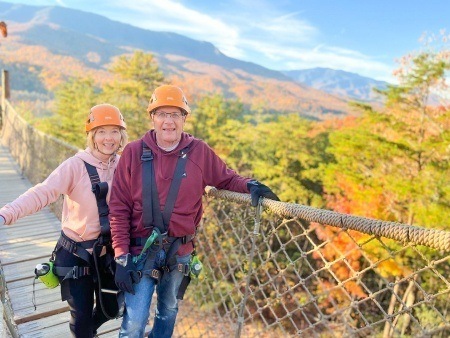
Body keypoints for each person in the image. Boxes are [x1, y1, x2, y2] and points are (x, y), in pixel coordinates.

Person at [109, 84, 279, 338]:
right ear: (152, 118)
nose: (169, 121)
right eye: (162, 114)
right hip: (140, 249)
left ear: (184, 118)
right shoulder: (133, 152)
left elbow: (225, 178)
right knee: (135, 320)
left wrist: (250, 185)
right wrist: (121, 254)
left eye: (175, 114)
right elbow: (119, 206)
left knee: (168, 309)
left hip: (180, 250)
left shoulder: (198, 151)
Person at [0, 104, 128, 338]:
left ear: (122, 135)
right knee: (81, 319)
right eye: (101, 131)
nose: (108, 138)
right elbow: (43, 192)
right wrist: (7, 213)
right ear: (92, 135)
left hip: (107, 254)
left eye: (114, 131)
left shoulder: (124, 165)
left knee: (111, 308)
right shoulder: (75, 166)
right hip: (75, 254)